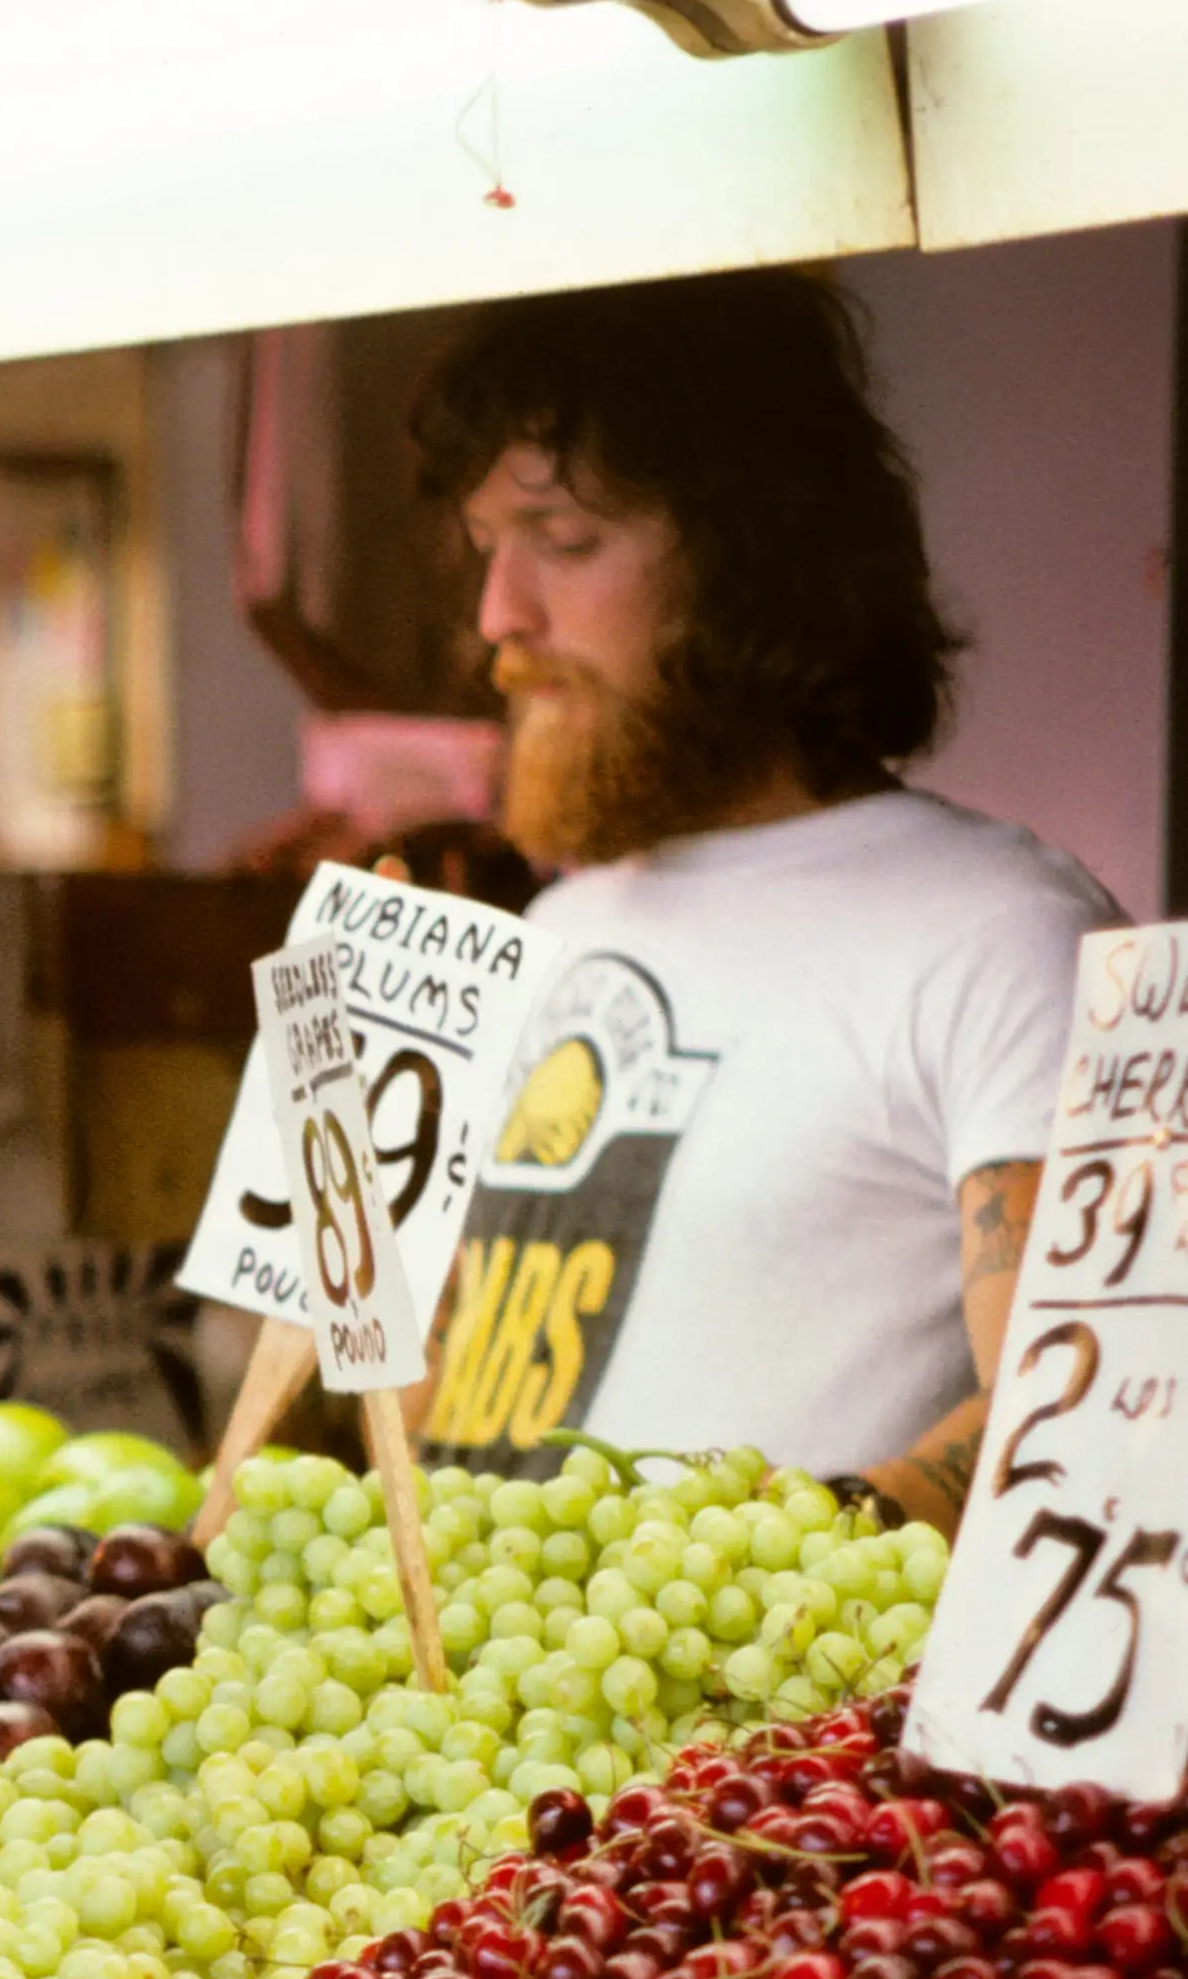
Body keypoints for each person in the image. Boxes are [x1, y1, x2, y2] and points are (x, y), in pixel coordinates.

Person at [406, 271, 1111, 1526]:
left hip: (773, 1710)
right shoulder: (553, 932)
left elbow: (1077, 1393)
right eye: (482, 548)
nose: (496, 617)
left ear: (751, 557)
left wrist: (762, 1582)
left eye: (564, 542)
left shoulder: (1003, 938)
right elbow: (429, 1354)